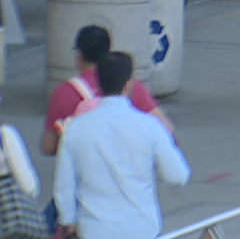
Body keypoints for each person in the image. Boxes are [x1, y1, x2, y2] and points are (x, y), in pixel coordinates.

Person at [53, 51, 190, 239]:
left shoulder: (75, 128)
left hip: (95, 230)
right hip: (142, 229)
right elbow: (177, 176)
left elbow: (64, 186)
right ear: (128, 84)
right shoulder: (150, 126)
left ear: (99, 85)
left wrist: (68, 221)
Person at [42, 25, 174, 156]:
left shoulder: (63, 92)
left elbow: (48, 146)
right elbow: (166, 129)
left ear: (79, 55)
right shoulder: (130, 86)